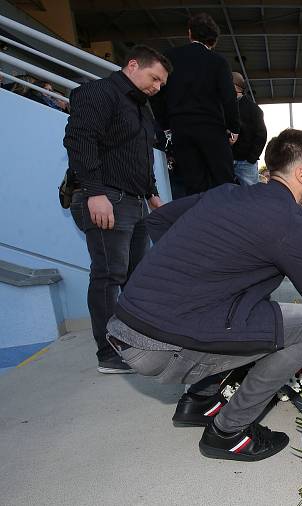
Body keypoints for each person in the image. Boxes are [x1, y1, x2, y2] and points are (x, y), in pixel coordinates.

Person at [106, 129, 302, 461]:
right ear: (301, 174)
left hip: (124, 326)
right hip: (157, 347)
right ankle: (227, 432)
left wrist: (192, 279)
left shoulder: (227, 193)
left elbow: (159, 221)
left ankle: (198, 403)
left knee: (247, 314)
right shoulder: (290, 224)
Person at [64, 45, 171, 373]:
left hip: (135, 201)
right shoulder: (98, 92)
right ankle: (109, 353)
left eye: (161, 84)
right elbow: (79, 141)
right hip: (106, 198)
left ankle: (139, 341)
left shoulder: (142, 106)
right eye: (154, 78)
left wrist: (152, 194)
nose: (156, 86)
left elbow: (142, 154)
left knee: (137, 277)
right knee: (109, 275)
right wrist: (94, 193)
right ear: (133, 65)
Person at [151, 13, 240, 197]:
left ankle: (199, 223)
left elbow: (157, 93)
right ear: (213, 40)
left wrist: (166, 125)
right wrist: (233, 127)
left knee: (193, 186)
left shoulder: (169, 57)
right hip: (211, 129)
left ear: (190, 33)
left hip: (180, 128)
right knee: (224, 183)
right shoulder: (218, 62)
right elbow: (228, 97)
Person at [231, 72, 267, 185]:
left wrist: (251, 158)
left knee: (250, 198)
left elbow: (261, 135)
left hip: (245, 163)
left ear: (234, 86)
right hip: (227, 160)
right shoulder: (224, 106)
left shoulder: (253, 109)